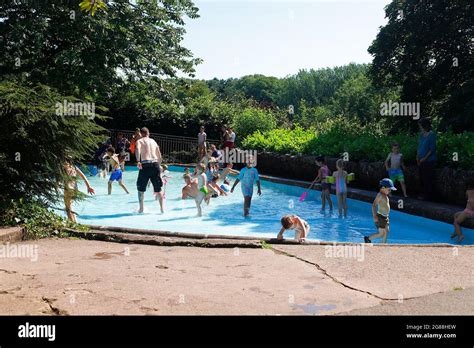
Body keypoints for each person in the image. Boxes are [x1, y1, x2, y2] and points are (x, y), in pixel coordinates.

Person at [135, 127, 164, 213]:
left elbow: (137, 149)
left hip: (145, 164)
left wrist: (138, 161)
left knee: (140, 189)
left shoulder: (139, 141)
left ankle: (141, 209)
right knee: (158, 189)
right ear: (148, 133)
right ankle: (162, 209)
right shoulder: (153, 141)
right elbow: (159, 155)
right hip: (155, 164)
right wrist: (158, 165)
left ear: (140, 134)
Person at [364, 178, 396, 244]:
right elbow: (374, 205)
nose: (390, 191)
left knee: (387, 231)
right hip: (380, 217)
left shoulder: (385, 195)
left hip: (385, 217)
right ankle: (368, 239)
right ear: (383, 188)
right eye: (389, 189)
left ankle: (383, 244)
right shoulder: (380, 195)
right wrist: (375, 216)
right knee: (381, 233)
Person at [63, 158, 95, 223]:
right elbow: (84, 177)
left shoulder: (66, 168)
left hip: (68, 189)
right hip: (75, 190)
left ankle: (73, 225)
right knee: (70, 207)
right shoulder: (75, 168)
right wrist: (88, 186)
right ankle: (75, 222)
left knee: (68, 209)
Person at [417, 118, 437, 200]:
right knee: (421, 178)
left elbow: (432, 149)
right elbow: (419, 146)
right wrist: (417, 157)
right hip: (421, 160)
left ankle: (428, 196)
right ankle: (423, 194)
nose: (420, 127)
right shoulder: (421, 135)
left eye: (420, 126)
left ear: (424, 126)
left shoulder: (431, 135)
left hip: (429, 161)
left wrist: (424, 158)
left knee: (427, 178)